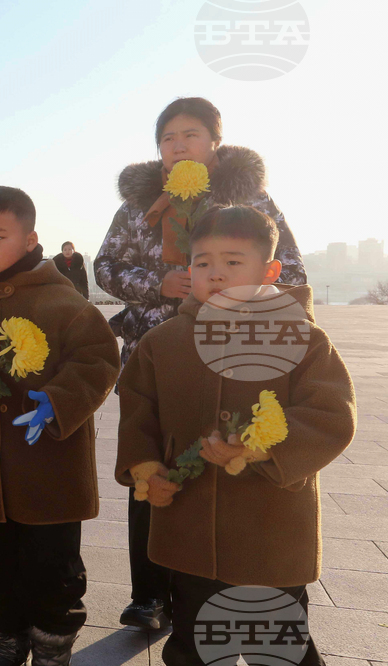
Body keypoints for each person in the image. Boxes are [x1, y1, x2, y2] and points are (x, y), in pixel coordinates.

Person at [94, 97, 308, 631]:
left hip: (241, 357)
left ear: (215, 141)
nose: (178, 145)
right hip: (156, 353)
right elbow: (104, 265)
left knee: (227, 465)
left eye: (190, 135)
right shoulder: (138, 205)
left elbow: (292, 267)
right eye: (168, 138)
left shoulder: (249, 198)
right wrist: (157, 285)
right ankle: (149, 595)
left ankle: (227, 580)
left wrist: (236, 294)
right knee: (150, 471)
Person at [115, 206, 356, 666]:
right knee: (193, 645)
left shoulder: (302, 339)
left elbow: (332, 415)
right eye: (202, 262)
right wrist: (147, 468)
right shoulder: (162, 342)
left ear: (269, 270)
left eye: (232, 261)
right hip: (189, 533)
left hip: (272, 531)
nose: (215, 274)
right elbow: (138, 411)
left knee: (278, 647)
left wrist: (260, 446)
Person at [0, 187, 120, 666]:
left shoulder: (63, 303)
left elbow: (98, 359)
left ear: (30, 239)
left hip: (50, 471)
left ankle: (52, 644)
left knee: (54, 569)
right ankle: (6, 637)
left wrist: (57, 402)